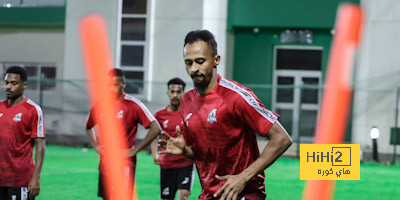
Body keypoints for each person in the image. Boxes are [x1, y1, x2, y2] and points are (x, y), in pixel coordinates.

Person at [159, 30, 292, 200]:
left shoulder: (236, 96)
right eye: (189, 63)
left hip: (244, 193)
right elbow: (198, 153)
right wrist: (184, 151)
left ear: (216, 60)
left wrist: (243, 177)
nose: (194, 69)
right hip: (210, 193)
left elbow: (281, 139)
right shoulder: (187, 101)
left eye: (200, 61)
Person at [86, 68, 161, 200]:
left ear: (124, 84)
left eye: (115, 85)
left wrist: (135, 150)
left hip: (124, 163)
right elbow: (88, 126)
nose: (111, 89)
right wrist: (96, 145)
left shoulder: (133, 104)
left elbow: (156, 128)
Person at [0, 66, 46, 200]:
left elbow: (40, 146)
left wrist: (36, 178)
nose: (8, 87)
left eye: (14, 83)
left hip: (20, 180)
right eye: (6, 83)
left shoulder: (33, 110)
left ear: (24, 85)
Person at [151, 78, 195, 200]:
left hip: (185, 163)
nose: (175, 95)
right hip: (167, 164)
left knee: (183, 196)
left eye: (179, 92)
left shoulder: (189, 114)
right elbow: (154, 135)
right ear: (168, 93)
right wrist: (155, 153)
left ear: (183, 93)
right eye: (173, 91)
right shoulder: (160, 115)